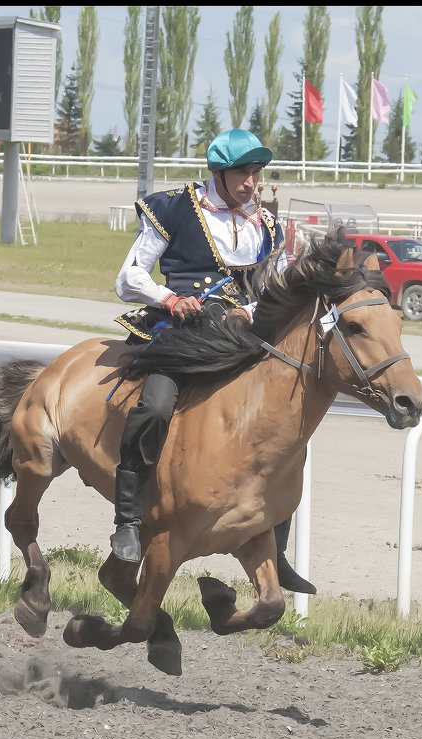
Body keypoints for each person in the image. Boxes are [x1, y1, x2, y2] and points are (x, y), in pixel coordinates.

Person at [110, 128, 316, 594]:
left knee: (281, 420)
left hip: (239, 334)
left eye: (257, 172)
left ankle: (275, 548)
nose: (252, 181)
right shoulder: (174, 207)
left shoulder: (264, 222)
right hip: (182, 329)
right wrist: (169, 297)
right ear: (218, 173)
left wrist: (255, 308)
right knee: (157, 406)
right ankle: (126, 520)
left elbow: (272, 288)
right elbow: (129, 278)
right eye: (243, 172)